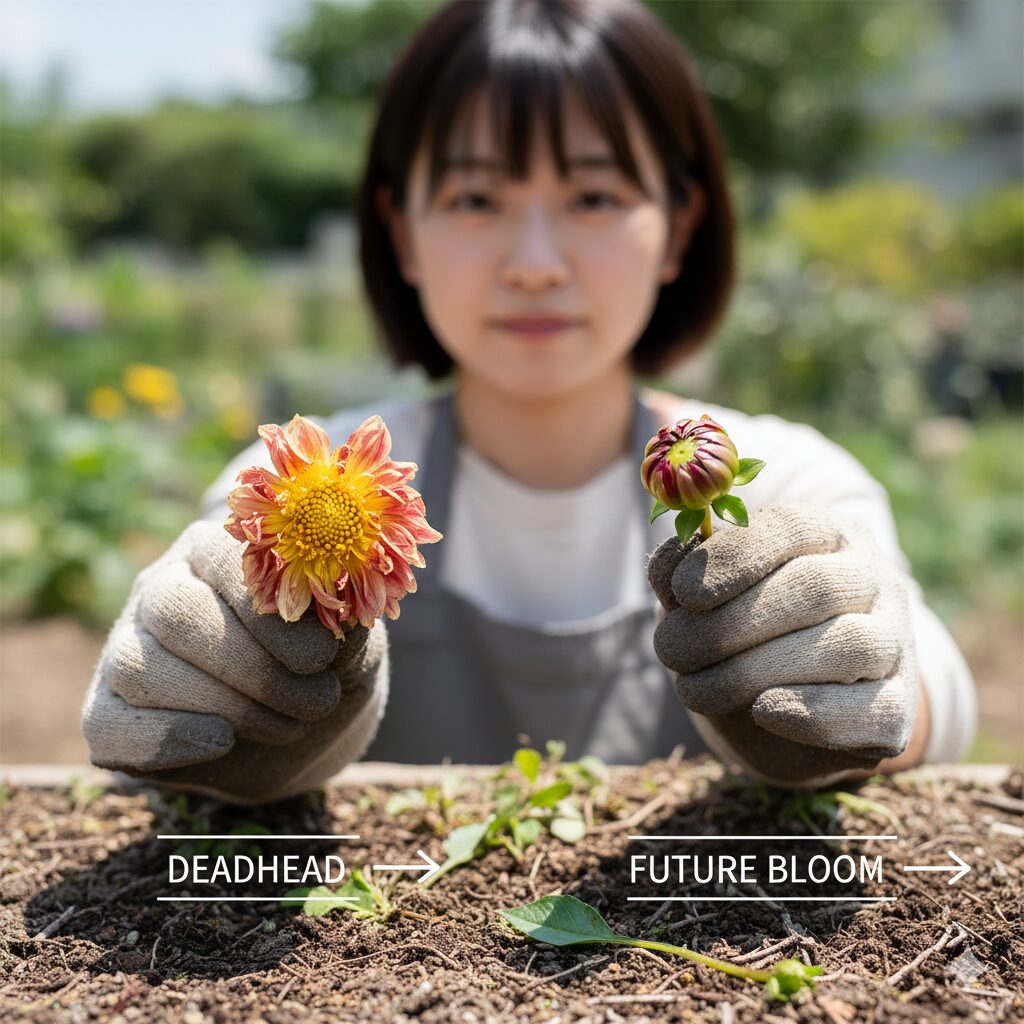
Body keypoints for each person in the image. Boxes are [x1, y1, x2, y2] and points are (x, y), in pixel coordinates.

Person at [81, 0, 976, 805]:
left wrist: (856, 683)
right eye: (475, 197)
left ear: (678, 226)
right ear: (402, 233)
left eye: (594, 195)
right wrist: (230, 718)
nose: (535, 262)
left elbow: (935, 696)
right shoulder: (293, 487)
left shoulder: (791, 480)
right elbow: (150, 718)